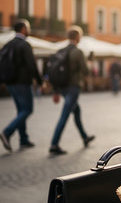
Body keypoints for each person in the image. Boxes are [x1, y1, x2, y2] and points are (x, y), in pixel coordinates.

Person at [49, 26, 95, 155]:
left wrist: (56, 91)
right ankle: (54, 144)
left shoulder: (61, 51)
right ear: (77, 37)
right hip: (73, 88)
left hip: (63, 87)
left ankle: (85, 137)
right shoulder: (78, 52)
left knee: (77, 111)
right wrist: (90, 62)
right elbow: (86, 71)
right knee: (65, 115)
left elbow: (56, 71)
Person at [0, 19, 43, 152]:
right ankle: (7, 132)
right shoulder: (24, 45)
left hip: (10, 83)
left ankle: (23, 139)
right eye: (28, 28)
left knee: (21, 110)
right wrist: (40, 81)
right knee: (27, 110)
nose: (29, 30)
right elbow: (32, 65)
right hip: (23, 82)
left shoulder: (7, 45)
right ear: (24, 29)